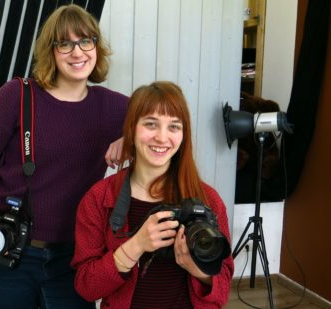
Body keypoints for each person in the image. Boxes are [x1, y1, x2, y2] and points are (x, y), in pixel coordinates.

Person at [0, 4, 128, 309]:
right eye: (65, 44)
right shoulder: (17, 96)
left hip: (73, 259)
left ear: (97, 48)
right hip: (8, 256)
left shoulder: (115, 108)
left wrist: (132, 141)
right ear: (50, 50)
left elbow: (167, 132)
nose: (78, 52)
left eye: (86, 41)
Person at [72, 81, 234, 308]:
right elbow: (86, 287)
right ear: (131, 128)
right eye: (151, 124)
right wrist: (136, 245)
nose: (162, 137)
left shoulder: (207, 199)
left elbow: (223, 288)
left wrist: (199, 270)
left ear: (183, 134)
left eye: (174, 127)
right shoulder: (99, 198)